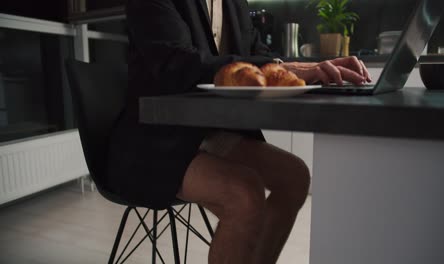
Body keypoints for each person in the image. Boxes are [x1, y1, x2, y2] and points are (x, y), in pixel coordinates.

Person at [108, 0, 371, 263]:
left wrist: (305, 69)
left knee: (295, 178)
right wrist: (289, 68)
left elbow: (259, 55)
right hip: (152, 140)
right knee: (244, 195)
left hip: (208, 131)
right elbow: (178, 64)